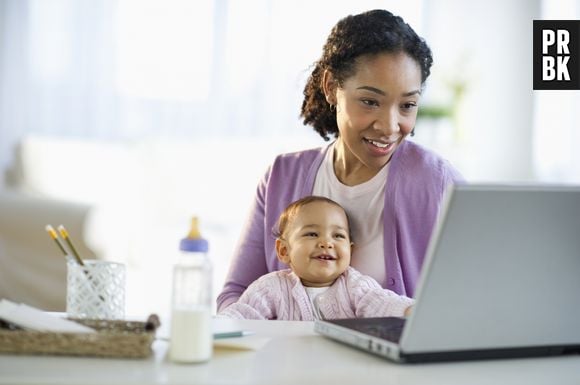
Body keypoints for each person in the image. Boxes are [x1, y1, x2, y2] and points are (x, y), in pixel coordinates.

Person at [217, 9, 464, 311]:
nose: (389, 126)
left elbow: (471, 300)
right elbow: (235, 296)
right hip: (288, 357)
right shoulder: (282, 177)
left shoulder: (439, 183)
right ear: (331, 87)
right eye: (370, 101)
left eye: (407, 105)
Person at [218, 196, 414, 320]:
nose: (326, 243)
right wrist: (214, 327)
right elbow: (241, 315)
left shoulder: (355, 285)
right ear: (284, 250)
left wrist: (411, 311)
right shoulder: (271, 287)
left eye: (338, 236)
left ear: (350, 251)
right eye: (312, 234)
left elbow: (381, 303)